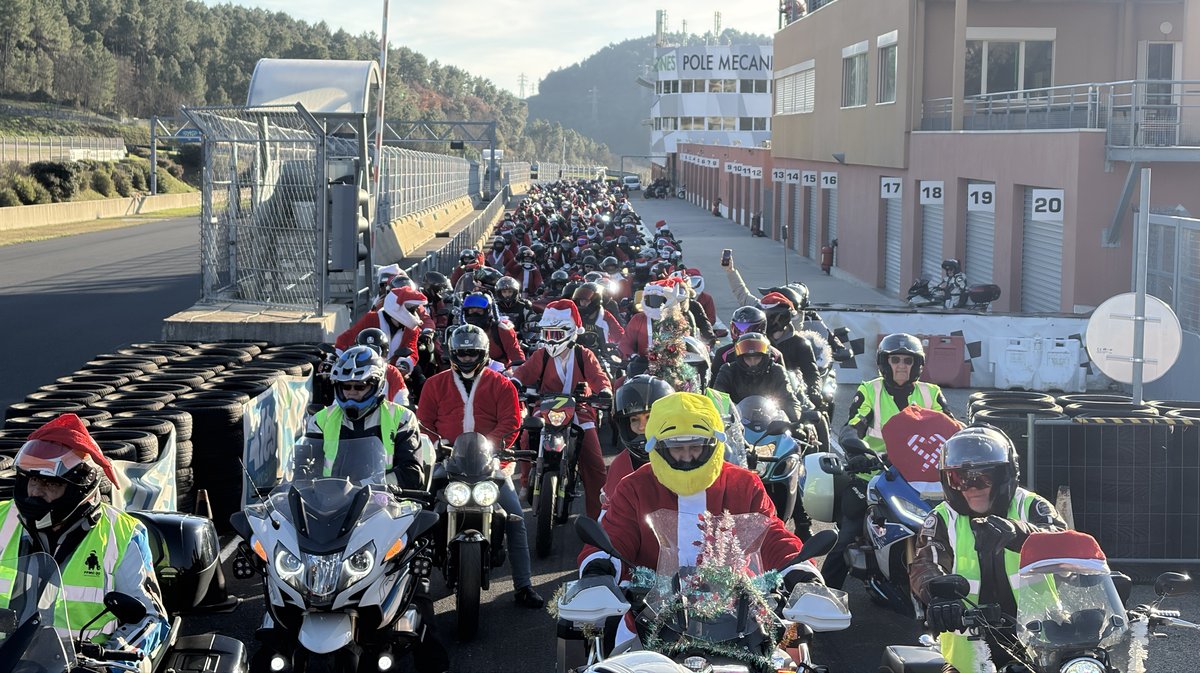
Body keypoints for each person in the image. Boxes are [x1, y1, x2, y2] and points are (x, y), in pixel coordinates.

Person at [577, 392, 822, 651]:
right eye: (676, 447)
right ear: (657, 447)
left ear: (714, 445)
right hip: (650, 610)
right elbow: (615, 536)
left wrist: (800, 573)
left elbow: (771, 533)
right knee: (612, 658)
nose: (687, 456)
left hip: (738, 611)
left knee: (793, 657)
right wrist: (599, 569)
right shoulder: (634, 486)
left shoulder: (744, 483)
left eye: (696, 446)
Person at [1, 414, 168, 666]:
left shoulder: (123, 534)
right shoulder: (2, 518)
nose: (35, 491)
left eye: (49, 482)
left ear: (79, 486)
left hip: (81, 666)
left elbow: (149, 619)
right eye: (32, 479)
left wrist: (115, 659)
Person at [910, 426, 1066, 673]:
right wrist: (937, 594)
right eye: (959, 479)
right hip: (968, 640)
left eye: (982, 478)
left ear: (1006, 475)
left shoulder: (1032, 506)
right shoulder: (941, 518)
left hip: (1041, 636)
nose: (971, 488)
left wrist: (1022, 533)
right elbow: (926, 562)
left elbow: (1067, 545)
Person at [415, 325, 543, 608]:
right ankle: (414, 584)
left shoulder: (502, 384)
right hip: (446, 462)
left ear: (483, 354)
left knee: (515, 517)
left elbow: (511, 421)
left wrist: (494, 446)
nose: (466, 359)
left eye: (472, 353)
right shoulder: (434, 384)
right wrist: (437, 443)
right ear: (452, 353)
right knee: (419, 516)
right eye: (461, 353)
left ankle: (524, 586)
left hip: (491, 463)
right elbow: (424, 422)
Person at [821, 333, 955, 588]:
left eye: (907, 360)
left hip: (923, 475)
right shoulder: (870, 390)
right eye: (896, 360)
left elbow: (952, 428)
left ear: (917, 365)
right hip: (875, 473)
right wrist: (858, 450)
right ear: (885, 363)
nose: (902, 365)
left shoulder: (931, 393)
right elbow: (853, 425)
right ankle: (824, 593)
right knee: (848, 532)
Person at [511, 300, 612, 519]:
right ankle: (525, 481)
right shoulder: (542, 355)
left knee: (594, 461)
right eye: (547, 334)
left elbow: (598, 376)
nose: (550, 340)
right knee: (528, 436)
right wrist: (516, 381)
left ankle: (600, 516)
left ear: (571, 332)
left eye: (556, 335)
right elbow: (524, 372)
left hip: (579, 410)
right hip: (546, 407)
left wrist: (603, 390)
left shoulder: (584, 354)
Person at [294, 346, 427, 490]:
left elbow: (412, 474)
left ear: (377, 385)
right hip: (329, 502)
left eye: (359, 386)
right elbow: (304, 474)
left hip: (385, 503)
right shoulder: (320, 420)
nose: (351, 393)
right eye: (346, 386)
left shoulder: (402, 419)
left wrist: (366, 486)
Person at [602, 375, 675, 509]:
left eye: (649, 417)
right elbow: (609, 517)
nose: (642, 427)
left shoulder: (684, 452)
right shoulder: (621, 464)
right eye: (634, 419)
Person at [711, 333, 806, 424]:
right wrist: (725, 419)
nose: (752, 362)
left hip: (771, 426)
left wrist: (795, 422)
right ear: (740, 357)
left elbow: (789, 400)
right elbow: (718, 399)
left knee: (807, 435)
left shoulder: (776, 371)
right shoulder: (728, 370)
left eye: (757, 357)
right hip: (736, 427)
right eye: (748, 358)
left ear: (765, 356)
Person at [461, 292, 525, 368]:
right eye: (471, 311)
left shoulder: (502, 330)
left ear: (487, 311)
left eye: (479, 311)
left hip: (500, 374)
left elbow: (516, 356)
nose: (475, 314)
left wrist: (517, 375)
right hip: (469, 374)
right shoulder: (461, 333)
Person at [354, 327, 409, 406]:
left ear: (384, 352)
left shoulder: (391, 372)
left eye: (375, 351)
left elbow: (401, 402)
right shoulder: (349, 372)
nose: (370, 357)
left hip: (384, 417)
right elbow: (338, 403)